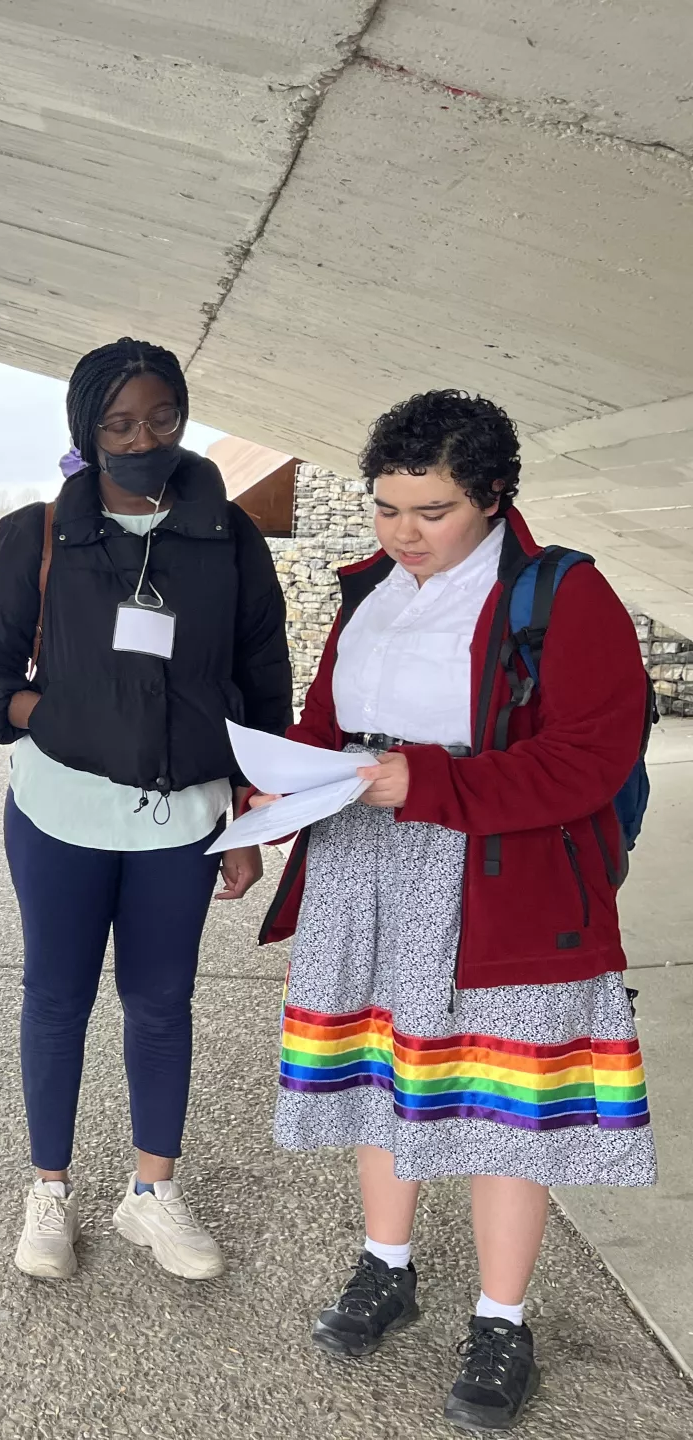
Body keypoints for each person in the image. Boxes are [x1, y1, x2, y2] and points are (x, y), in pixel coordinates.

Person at [254, 391, 655, 1431]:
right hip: (361, 870)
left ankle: (502, 1320)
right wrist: (281, 790)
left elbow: (587, 760)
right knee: (378, 1074)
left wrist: (418, 784)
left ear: (491, 494)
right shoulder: (370, 591)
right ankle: (388, 1266)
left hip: (497, 882)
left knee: (501, 1107)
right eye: (387, 508)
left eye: (428, 510)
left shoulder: (563, 597)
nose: (402, 533)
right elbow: (327, 721)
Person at [0, 337, 292, 1284]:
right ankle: (48, 1192)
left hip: (182, 824)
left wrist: (250, 817)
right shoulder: (39, 535)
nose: (144, 439)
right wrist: (43, 715)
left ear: (183, 419)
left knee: (161, 1005)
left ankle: (151, 1194)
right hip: (58, 816)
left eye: (162, 419)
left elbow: (263, 681)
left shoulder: (229, 538)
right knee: (55, 1002)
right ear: (86, 431)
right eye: (120, 424)